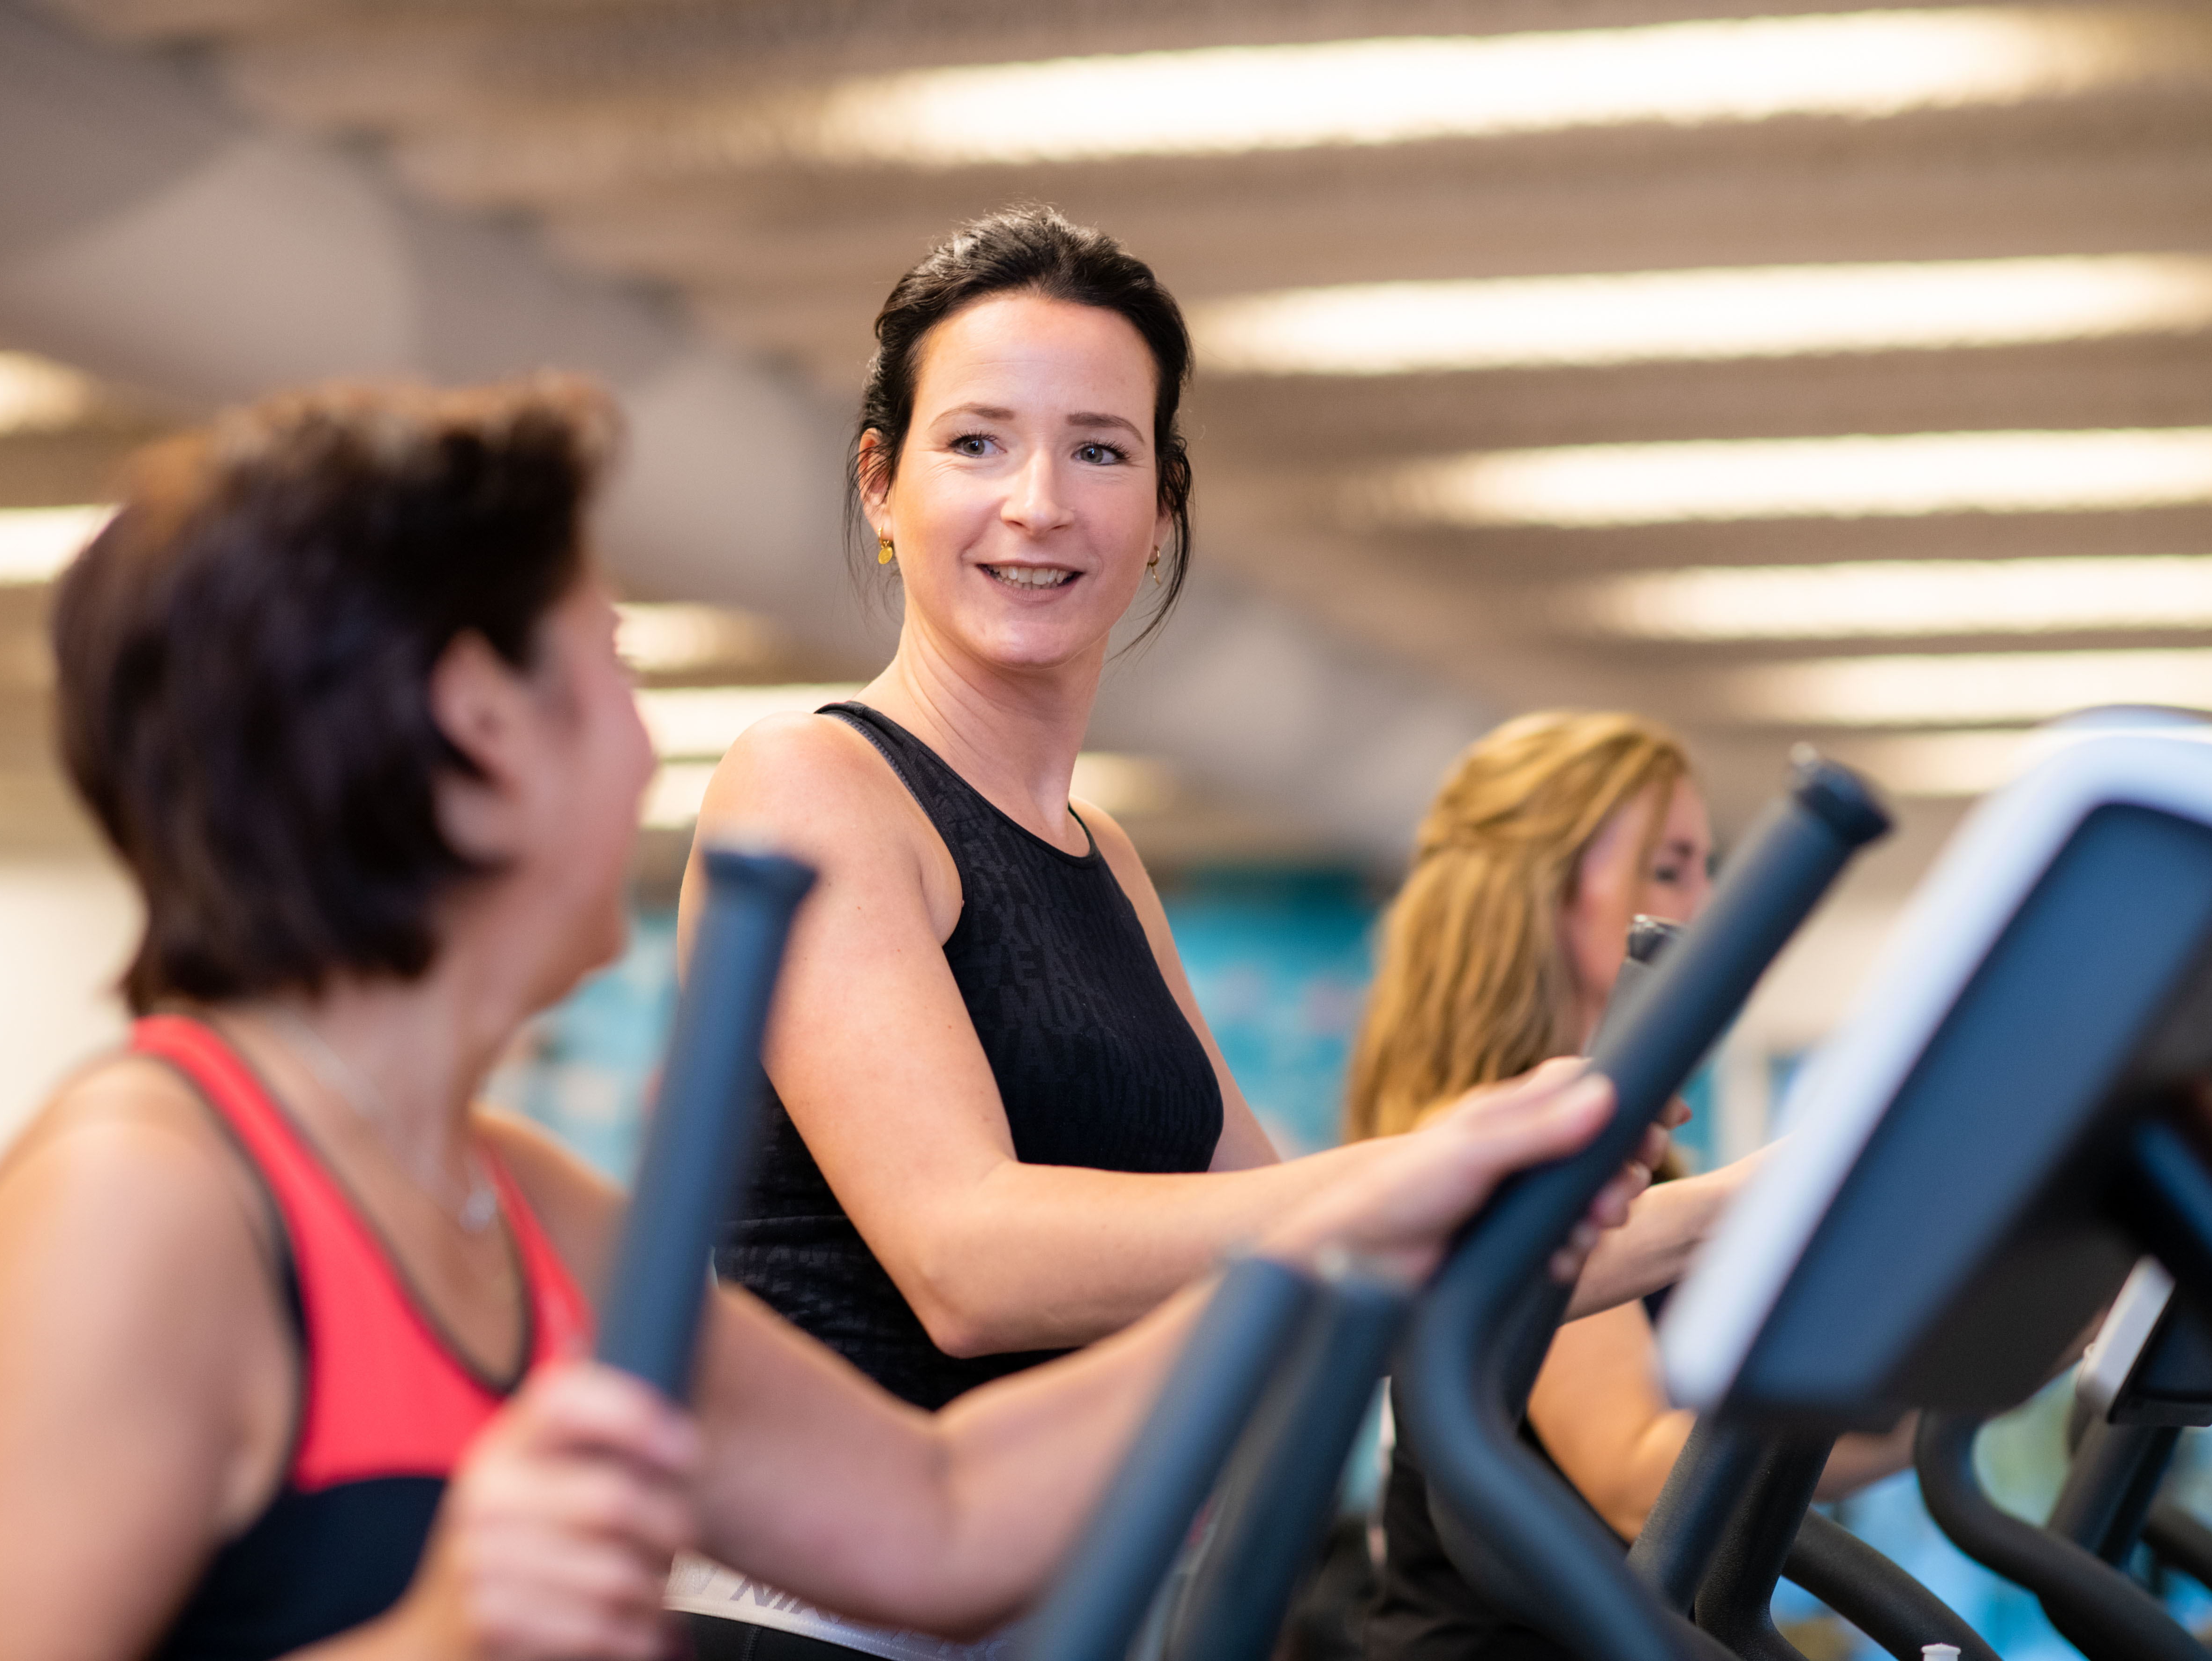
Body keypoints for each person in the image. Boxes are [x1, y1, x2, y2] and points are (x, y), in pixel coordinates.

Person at [0, 378, 1641, 1661]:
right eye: (613, 666)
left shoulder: (514, 1204)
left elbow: (937, 1518)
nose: (650, 746)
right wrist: (447, 1634)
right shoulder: (146, 1199)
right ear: (484, 726)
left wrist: (1370, 1230)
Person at [685, 204, 1754, 1657]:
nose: (1040, 502)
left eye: (1101, 450)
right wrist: (1421, 1175)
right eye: (977, 442)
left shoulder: (1102, 860)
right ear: (881, 483)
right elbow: (965, 1260)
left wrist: (1790, 1193)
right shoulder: (813, 783)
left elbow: (1338, 1265)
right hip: (807, 1620)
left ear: (1163, 506)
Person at [1345, 710, 1912, 1661]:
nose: (1709, 897)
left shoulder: (1629, 1152)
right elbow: (1640, 1473)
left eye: (1704, 861)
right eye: (1670, 866)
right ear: (1542, 897)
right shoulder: (1509, 1146)